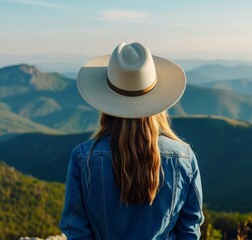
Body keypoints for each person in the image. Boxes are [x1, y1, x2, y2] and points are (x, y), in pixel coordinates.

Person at [59, 42, 204, 240]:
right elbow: (189, 230)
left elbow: (76, 230)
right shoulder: (184, 157)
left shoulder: (84, 157)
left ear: (106, 101)